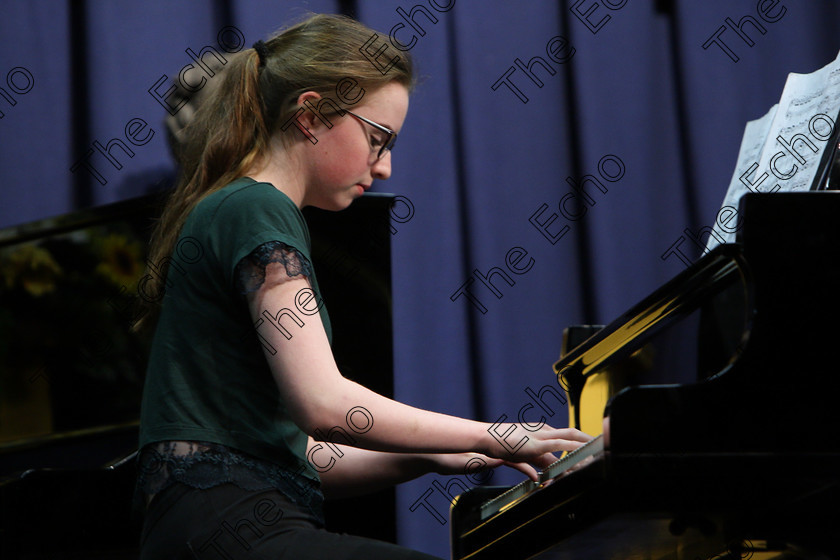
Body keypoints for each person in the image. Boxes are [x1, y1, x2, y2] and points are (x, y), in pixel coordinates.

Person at [134, 13, 590, 559]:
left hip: (211, 524)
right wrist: (489, 433)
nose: (386, 167)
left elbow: (301, 453)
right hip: (228, 526)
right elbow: (325, 405)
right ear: (309, 116)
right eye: (378, 139)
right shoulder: (257, 208)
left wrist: (433, 456)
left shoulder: (241, 206)